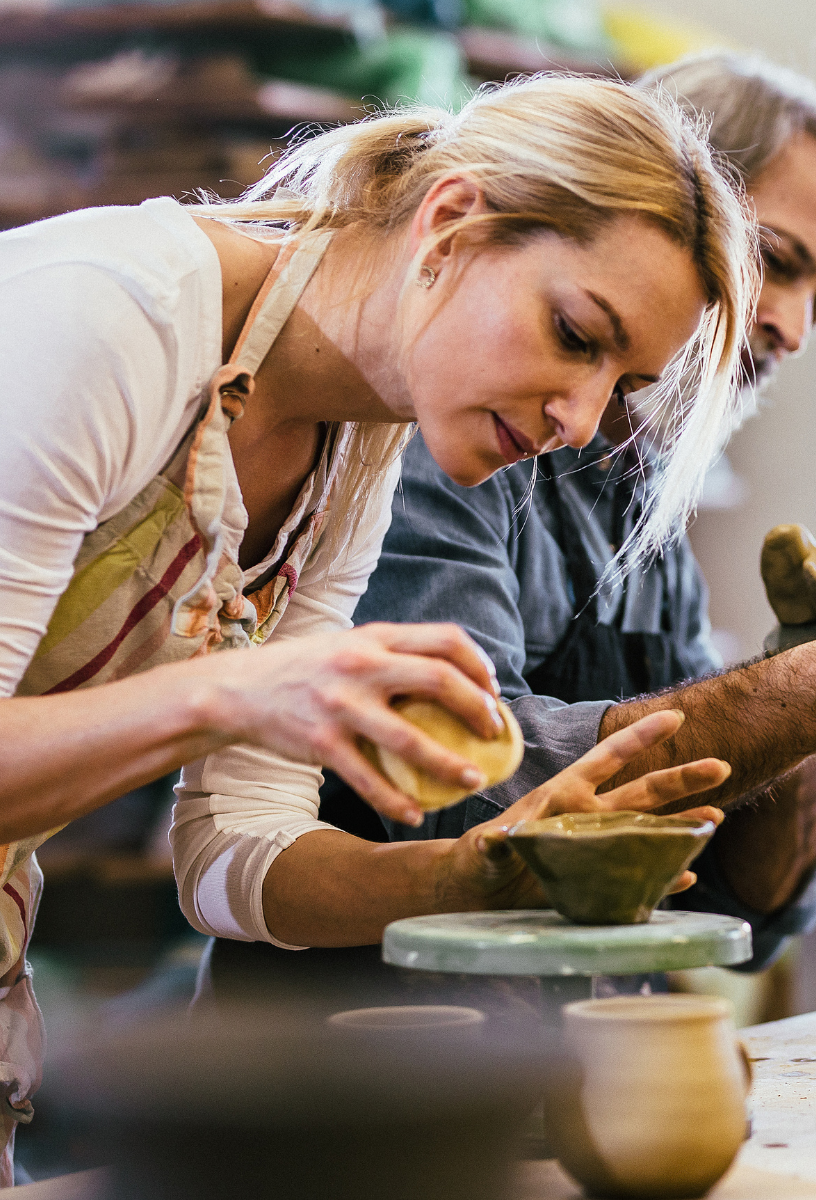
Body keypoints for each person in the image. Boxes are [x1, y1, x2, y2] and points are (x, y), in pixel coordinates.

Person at [186, 52, 816, 1004]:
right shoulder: (433, 427)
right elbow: (462, 796)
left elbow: (750, 907)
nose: (791, 330)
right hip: (362, 1074)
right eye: (777, 264)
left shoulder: (638, 495)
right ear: (669, 225)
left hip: (567, 1076)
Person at [0, 74, 758, 1180]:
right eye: (574, 333)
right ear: (451, 222)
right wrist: (238, 689)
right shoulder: (116, 320)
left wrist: (480, 873)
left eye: (621, 383)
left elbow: (235, 864)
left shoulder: (352, 450)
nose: (578, 419)